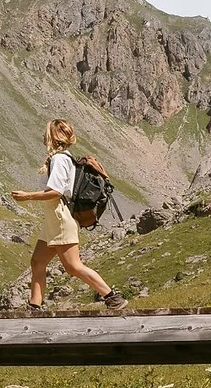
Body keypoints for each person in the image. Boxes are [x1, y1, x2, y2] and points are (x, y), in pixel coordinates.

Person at [10, 118, 128, 310]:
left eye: (46, 133)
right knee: (37, 261)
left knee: (73, 266)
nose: (43, 136)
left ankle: (113, 297)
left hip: (60, 218)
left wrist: (27, 196)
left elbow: (56, 192)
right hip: (53, 220)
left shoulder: (59, 159)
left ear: (53, 136)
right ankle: (34, 307)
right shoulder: (64, 158)